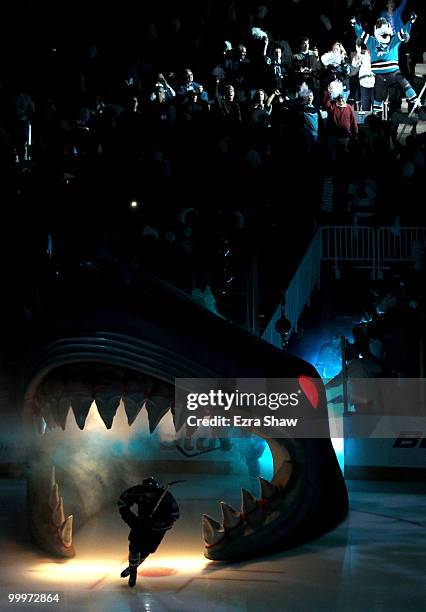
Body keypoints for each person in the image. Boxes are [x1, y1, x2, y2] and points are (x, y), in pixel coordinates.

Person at [351, 13, 418, 114]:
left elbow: (404, 31)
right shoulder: (371, 41)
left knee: (402, 83)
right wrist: (354, 24)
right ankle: (376, 114)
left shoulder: (394, 39)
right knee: (378, 94)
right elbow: (360, 33)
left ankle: (415, 101)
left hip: (393, 73)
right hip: (379, 76)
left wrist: (411, 22)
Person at [118, 477, 180, 587]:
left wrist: (160, 519)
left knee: (146, 551)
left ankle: (132, 567)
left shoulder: (165, 496)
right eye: (147, 492)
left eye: (152, 492)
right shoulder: (136, 492)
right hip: (141, 524)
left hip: (158, 529)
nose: (149, 495)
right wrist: (130, 518)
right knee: (134, 547)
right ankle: (133, 572)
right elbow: (122, 502)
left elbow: (175, 514)